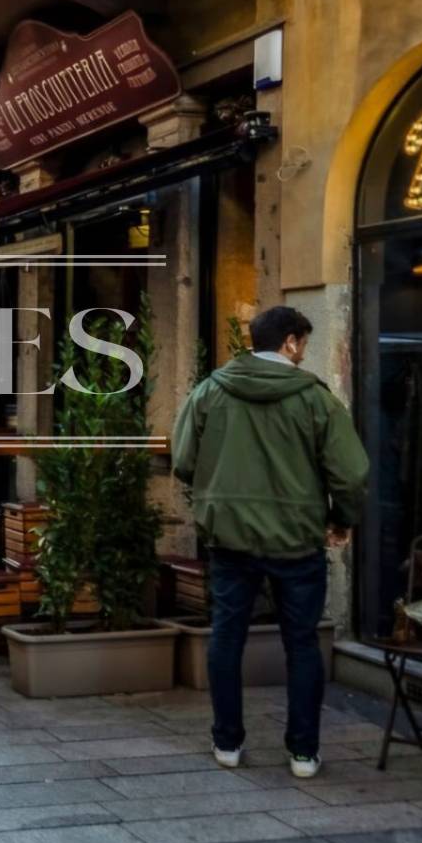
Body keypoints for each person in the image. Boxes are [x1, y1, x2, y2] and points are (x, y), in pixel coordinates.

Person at [172, 304, 370, 781]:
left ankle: (227, 743)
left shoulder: (209, 392)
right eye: (302, 342)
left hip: (230, 536)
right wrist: (342, 519)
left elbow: (182, 460)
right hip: (297, 539)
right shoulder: (316, 399)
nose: (303, 352)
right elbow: (351, 472)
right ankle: (303, 753)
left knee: (226, 636)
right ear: (290, 343)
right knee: (301, 643)